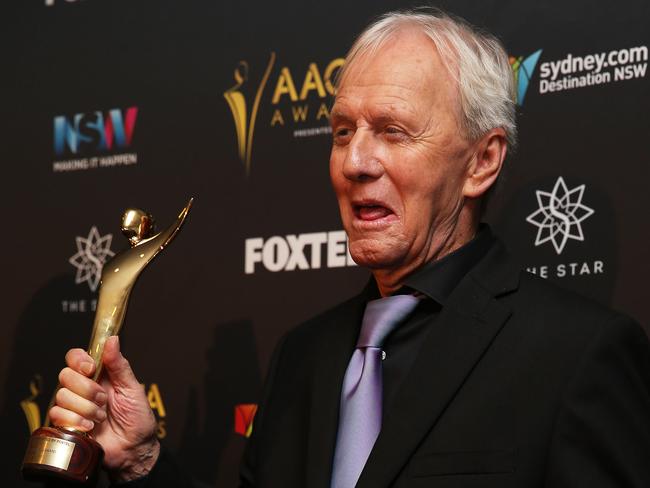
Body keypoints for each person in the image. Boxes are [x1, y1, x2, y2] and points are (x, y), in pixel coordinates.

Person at [50, 8, 650, 487]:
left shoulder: (577, 356)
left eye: (393, 131)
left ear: (482, 161)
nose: (355, 162)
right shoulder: (303, 356)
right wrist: (142, 461)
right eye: (342, 132)